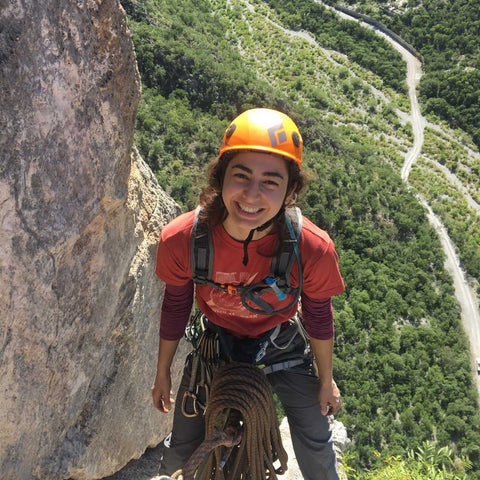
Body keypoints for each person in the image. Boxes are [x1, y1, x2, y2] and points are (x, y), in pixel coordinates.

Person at [153, 108, 345, 479]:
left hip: (282, 343)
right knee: (183, 445)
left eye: (270, 182)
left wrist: (326, 380)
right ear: (220, 177)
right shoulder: (183, 240)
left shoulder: (312, 249)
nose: (251, 195)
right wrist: (163, 373)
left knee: (314, 437)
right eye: (241, 175)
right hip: (219, 342)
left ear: (290, 191)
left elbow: (319, 315)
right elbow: (175, 304)